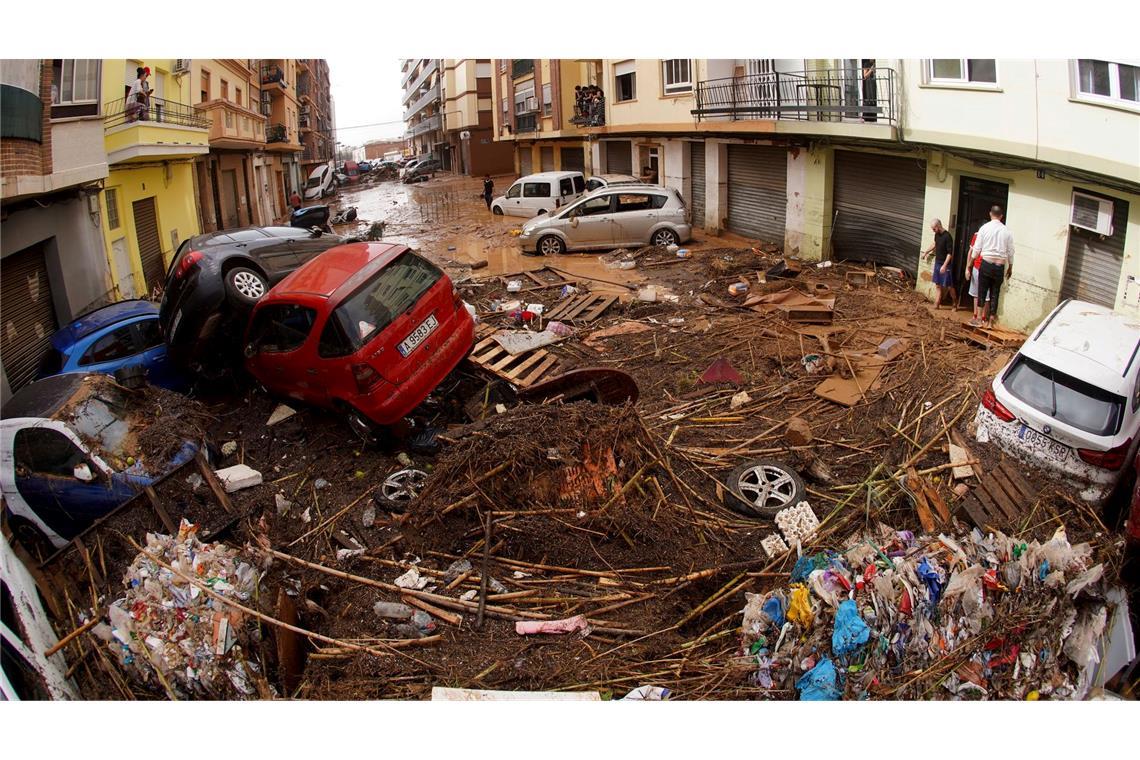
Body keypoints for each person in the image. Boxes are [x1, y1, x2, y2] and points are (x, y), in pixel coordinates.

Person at [970, 206, 1015, 328]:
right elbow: (1011, 251)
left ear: (990, 214)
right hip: (999, 266)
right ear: (1001, 216)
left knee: (982, 291)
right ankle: (990, 322)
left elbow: (977, 248)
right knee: (995, 293)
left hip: (986, 264)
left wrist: (970, 263)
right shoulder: (1007, 231)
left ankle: (979, 319)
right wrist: (1010, 266)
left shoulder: (984, 228)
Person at [921, 219, 955, 309]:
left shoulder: (947, 237)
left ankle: (954, 302)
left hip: (945, 264)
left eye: (934, 229)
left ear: (938, 226)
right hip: (938, 262)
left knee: (949, 286)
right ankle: (937, 303)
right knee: (938, 284)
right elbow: (935, 244)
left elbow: (950, 253)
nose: (933, 231)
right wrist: (926, 252)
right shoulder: (937, 235)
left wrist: (944, 265)